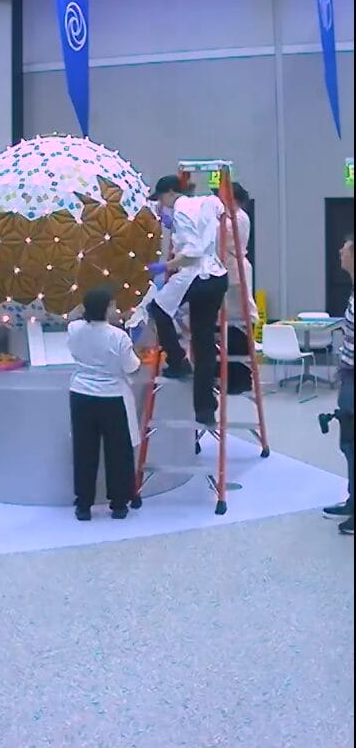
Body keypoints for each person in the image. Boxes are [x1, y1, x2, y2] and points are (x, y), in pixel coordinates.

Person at [127, 175, 228, 426]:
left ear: (171, 193)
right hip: (217, 277)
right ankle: (205, 408)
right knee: (204, 344)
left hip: (196, 276)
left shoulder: (182, 212)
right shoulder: (206, 202)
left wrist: (165, 266)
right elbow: (220, 207)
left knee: (158, 309)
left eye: (162, 199)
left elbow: (191, 254)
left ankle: (177, 360)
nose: (162, 205)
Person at [68, 288, 140, 521]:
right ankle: (118, 504)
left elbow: (73, 317)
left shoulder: (75, 329)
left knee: (84, 450)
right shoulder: (119, 336)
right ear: (108, 307)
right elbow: (131, 367)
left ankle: (84, 505)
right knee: (118, 451)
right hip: (112, 397)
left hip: (80, 394)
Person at [323, 235, 354, 536]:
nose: (339, 253)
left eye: (344, 250)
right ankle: (352, 500)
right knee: (348, 443)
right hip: (349, 374)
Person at [222, 183, 259, 394]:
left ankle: (240, 379)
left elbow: (223, 234)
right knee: (228, 323)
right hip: (230, 271)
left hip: (235, 272)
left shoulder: (238, 218)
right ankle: (230, 376)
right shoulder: (229, 216)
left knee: (238, 319)